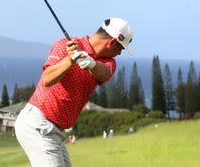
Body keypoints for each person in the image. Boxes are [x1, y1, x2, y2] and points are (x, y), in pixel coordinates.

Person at [15, 18, 133, 167]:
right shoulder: (64, 45)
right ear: (112, 42)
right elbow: (47, 79)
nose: (120, 54)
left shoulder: (108, 62)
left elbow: (104, 73)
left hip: (54, 132)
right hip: (38, 124)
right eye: (121, 49)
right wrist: (70, 60)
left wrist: (91, 63)